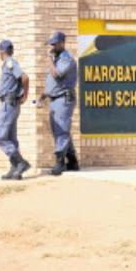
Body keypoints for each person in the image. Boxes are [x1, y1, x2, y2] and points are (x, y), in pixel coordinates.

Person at [44, 31, 79, 176]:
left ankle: (60, 163)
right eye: (50, 44)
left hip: (64, 99)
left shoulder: (66, 59)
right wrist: (43, 96)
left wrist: (48, 60)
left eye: (54, 44)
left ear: (61, 43)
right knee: (58, 129)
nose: (51, 46)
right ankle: (72, 161)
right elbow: (52, 82)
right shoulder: (56, 58)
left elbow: (56, 74)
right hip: (54, 98)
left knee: (62, 130)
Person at [0, 40, 30, 180]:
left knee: (0, 137)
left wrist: (25, 95)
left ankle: (21, 163)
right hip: (9, 104)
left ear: (2, 51)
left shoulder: (10, 63)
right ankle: (15, 169)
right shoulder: (8, 64)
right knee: (11, 138)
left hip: (9, 103)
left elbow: (25, 77)